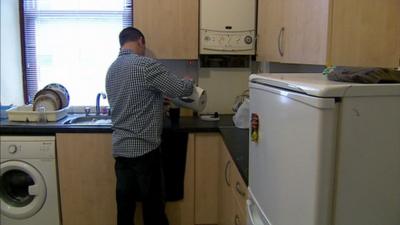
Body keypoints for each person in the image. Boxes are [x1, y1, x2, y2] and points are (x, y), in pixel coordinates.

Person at [105, 27, 194, 225]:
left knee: (125, 209)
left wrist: (156, 101)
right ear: (141, 40)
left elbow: (131, 101)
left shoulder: (111, 70)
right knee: (153, 208)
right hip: (145, 151)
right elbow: (179, 89)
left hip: (121, 151)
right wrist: (189, 81)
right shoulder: (145, 65)